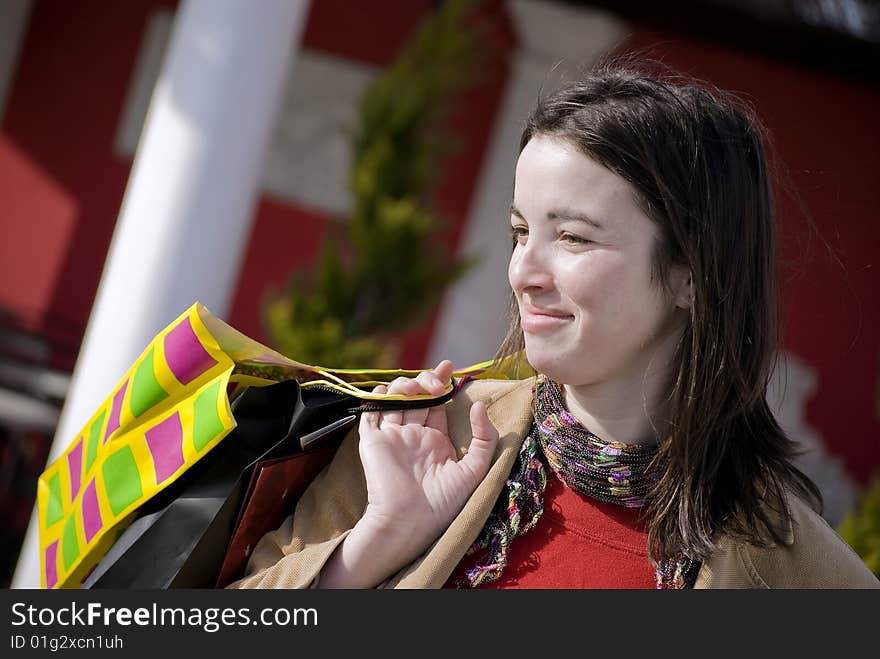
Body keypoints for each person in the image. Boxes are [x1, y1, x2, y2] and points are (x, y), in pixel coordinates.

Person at [228, 59, 880, 589]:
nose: (524, 271)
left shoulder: (802, 577)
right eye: (520, 232)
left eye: (572, 237)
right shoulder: (419, 437)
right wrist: (376, 541)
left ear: (693, 275)